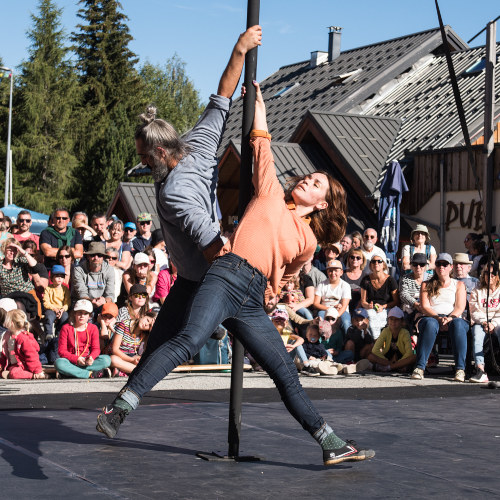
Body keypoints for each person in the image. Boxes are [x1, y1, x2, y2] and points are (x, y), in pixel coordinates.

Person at [98, 78, 375, 467]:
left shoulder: (309, 243)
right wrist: (258, 100)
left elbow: (290, 275)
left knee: (285, 372)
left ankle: (331, 443)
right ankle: (119, 409)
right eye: (308, 177)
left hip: (251, 296)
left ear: (323, 203)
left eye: (315, 184)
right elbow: (261, 140)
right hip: (226, 274)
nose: (306, 182)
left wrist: (277, 291)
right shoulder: (269, 193)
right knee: (188, 340)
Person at [411, 253, 468, 382]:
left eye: (445, 264)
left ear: (451, 267)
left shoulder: (458, 285)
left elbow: (460, 307)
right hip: (431, 316)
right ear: (435, 267)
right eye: (438, 264)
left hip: (453, 317)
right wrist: (438, 318)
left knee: (458, 324)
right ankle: (420, 367)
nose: (441, 267)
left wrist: (449, 318)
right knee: (430, 324)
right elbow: (425, 306)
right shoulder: (426, 284)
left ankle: (460, 369)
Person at [55, 299, 111, 379]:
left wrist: (91, 358)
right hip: (71, 361)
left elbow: (96, 349)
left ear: (89, 316)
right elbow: (62, 351)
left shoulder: (93, 328)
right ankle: (90, 374)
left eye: (85, 313)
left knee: (106, 359)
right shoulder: (66, 328)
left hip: (86, 361)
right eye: (79, 313)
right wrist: (76, 359)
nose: (82, 316)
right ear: (74, 313)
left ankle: (70, 373)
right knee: (59, 363)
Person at [469, 263, 500, 383]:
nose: (490, 276)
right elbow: (474, 311)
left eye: (493, 274)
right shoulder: (477, 290)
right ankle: (480, 370)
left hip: (497, 320)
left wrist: (494, 323)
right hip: (481, 322)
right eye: (487, 273)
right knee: (477, 335)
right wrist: (485, 322)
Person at [0, 309, 48, 379]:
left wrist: (37, 371)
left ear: (12, 323)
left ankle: (33, 375)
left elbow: (32, 356)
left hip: (24, 365)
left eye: (6, 320)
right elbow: (4, 353)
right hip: (13, 365)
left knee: (14, 373)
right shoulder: (7, 335)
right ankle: (9, 373)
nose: (4, 322)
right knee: (11, 371)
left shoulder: (23, 338)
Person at [359, 257, 399, 339]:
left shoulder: (391, 280)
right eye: (373, 261)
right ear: (370, 265)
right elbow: (363, 301)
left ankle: (380, 342)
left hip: (387, 308)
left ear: (383, 264)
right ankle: (375, 342)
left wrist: (383, 306)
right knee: (370, 315)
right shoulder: (365, 280)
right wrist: (368, 306)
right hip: (371, 308)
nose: (376, 263)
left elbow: (396, 301)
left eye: (379, 261)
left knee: (382, 317)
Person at [367, 307, 416, 373]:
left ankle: (387, 368)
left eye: (396, 319)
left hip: (401, 358)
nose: (393, 321)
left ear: (401, 321)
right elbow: (375, 350)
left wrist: (398, 362)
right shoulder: (385, 331)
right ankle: (395, 367)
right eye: (391, 319)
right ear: (388, 320)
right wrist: (389, 362)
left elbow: (409, 352)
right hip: (388, 358)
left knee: (414, 357)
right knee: (370, 356)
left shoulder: (405, 332)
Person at [71, 242, 115, 315]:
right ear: (88, 256)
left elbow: (110, 294)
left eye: (99, 255)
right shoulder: (79, 269)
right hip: (83, 303)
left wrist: (105, 301)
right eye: (93, 255)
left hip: (102, 304)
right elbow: (82, 293)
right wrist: (92, 301)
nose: (96, 258)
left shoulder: (109, 270)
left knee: (112, 310)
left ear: (103, 257)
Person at [313, 259, 351, 339]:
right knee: (321, 320)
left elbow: (344, 306)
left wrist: (335, 316)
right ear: (327, 272)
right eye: (330, 271)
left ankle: (346, 342)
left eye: (336, 271)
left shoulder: (345, 285)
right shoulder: (322, 285)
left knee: (346, 322)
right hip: (325, 309)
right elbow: (316, 303)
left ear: (341, 272)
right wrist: (330, 309)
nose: (333, 273)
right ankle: (323, 342)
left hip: (340, 311)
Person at [110, 311, 156, 376]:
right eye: (147, 320)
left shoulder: (144, 334)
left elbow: (146, 352)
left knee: (147, 361)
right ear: (143, 315)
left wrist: (151, 332)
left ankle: (123, 370)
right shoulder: (124, 324)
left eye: (149, 326)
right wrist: (131, 360)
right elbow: (114, 350)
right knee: (113, 359)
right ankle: (139, 371)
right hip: (119, 355)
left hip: (132, 356)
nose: (146, 324)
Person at [399, 252, 426, 330]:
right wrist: (416, 304)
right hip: (409, 308)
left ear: (425, 266)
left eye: (421, 264)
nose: (418, 267)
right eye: (415, 264)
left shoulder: (430, 279)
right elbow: (403, 294)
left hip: (425, 307)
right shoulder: (405, 278)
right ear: (411, 266)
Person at [43, 264, 70, 340]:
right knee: (49, 316)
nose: (59, 278)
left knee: (65, 317)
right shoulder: (48, 289)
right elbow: (46, 302)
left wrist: (62, 309)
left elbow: (67, 302)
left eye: (61, 276)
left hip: (61, 310)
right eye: (57, 276)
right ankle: (49, 334)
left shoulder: (65, 289)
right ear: (52, 277)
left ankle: (60, 334)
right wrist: (54, 309)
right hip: (51, 309)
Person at [343, 248, 366, 313]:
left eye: (358, 258)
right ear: (349, 259)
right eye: (352, 257)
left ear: (362, 261)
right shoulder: (342, 274)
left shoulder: (365, 277)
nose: (355, 259)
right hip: (344, 308)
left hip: (360, 309)